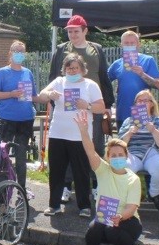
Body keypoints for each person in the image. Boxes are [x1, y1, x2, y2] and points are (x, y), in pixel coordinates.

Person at [66, 111, 151, 245]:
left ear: (126, 157)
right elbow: (90, 151)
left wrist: (120, 216)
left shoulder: (133, 179)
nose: (117, 158)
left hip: (128, 221)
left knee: (112, 231)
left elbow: (132, 208)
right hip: (104, 218)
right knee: (94, 229)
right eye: (113, 155)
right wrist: (84, 131)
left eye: (120, 155)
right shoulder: (103, 170)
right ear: (108, 157)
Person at [37, 53, 105, 216]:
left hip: (80, 135)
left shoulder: (90, 85)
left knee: (81, 171)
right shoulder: (59, 82)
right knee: (56, 171)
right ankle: (54, 205)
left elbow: (101, 107)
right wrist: (50, 95)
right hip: (58, 133)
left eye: (75, 68)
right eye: (69, 68)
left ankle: (84, 206)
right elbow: (41, 96)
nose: (72, 71)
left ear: (82, 69)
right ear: (64, 69)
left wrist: (87, 105)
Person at [48, 15, 114, 156]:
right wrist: (51, 102)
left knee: (95, 142)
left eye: (76, 31)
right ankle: (67, 177)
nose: (73, 34)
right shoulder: (61, 50)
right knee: (68, 143)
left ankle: (95, 176)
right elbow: (53, 77)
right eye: (70, 31)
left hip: (93, 104)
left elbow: (104, 77)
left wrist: (107, 105)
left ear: (85, 31)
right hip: (67, 106)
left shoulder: (96, 49)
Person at [0, 40, 46, 190]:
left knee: (21, 156)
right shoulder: (2, 72)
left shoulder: (28, 72)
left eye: (22, 52)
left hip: (25, 119)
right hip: (6, 119)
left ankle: (22, 188)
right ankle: (0, 188)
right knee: (3, 155)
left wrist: (47, 96)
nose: (19, 54)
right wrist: (11, 94)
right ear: (10, 53)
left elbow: (33, 96)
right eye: (16, 51)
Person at [117, 90, 159, 212]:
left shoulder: (158, 121)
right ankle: (129, 199)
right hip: (133, 153)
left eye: (145, 101)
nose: (141, 103)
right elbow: (119, 145)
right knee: (124, 166)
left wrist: (153, 130)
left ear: (151, 104)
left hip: (152, 153)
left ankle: (154, 193)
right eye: (139, 101)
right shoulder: (129, 121)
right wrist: (130, 132)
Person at [107, 30, 159, 133]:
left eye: (132, 43)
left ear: (138, 44)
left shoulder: (148, 60)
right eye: (126, 43)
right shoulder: (117, 63)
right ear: (121, 45)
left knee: (141, 144)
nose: (129, 45)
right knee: (123, 146)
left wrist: (142, 74)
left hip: (143, 112)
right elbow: (104, 81)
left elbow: (158, 85)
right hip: (122, 113)